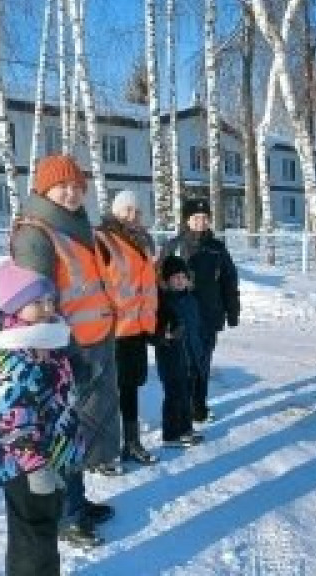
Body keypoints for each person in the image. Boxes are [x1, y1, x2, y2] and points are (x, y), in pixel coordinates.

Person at [10, 154, 117, 547]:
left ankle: (79, 501)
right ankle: (67, 516)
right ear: (43, 189)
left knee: (81, 430)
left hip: (90, 344)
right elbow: (31, 302)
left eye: (77, 186)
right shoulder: (36, 232)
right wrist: (46, 355)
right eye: (63, 186)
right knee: (61, 433)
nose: (72, 193)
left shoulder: (76, 226)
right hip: (59, 351)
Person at [0, 259, 86, 576]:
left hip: (49, 455)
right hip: (26, 466)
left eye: (49, 299)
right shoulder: (17, 356)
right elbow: (14, 420)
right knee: (32, 540)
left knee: (42, 534)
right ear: (14, 308)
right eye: (37, 302)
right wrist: (36, 467)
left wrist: (60, 456)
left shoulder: (43, 342)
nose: (48, 307)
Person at [159, 198, 240, 423]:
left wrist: (232, 310)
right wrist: (163, 317)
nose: (201, 222)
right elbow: (160, 282)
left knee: (203, 363)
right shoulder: (173, 246)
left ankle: (199, 407)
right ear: (187, 219)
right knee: (184, 364)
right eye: (196, 217)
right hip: (181, 317)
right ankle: (182, 408)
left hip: (209, 316)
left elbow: (229, 281)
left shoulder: (217, 248)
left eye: (205, 218)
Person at [95, 190, 159, 466]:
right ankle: (104, 450)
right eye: (127, 210)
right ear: (115, 211)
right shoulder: (103, 240)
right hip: (113, 330)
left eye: (137, 211)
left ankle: (132, 443)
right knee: (110, 390)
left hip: (137, 329)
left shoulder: (144, 242)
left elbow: (148, 286)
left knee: (131, 387)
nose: (132, 216)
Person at [154, 255, 206, 447]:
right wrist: (165, 335)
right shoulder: (163, 303)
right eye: (175, 277)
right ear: (167, 280)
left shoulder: (191, 301)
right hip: (171, 359)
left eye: (183, 277)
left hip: (190, 357)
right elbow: (155, 331)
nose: (180, 280)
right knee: (174, 396)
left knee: (186, 394)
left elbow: (196, 329)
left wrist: (198, 352)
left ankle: (186, 429)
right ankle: (170, 434)